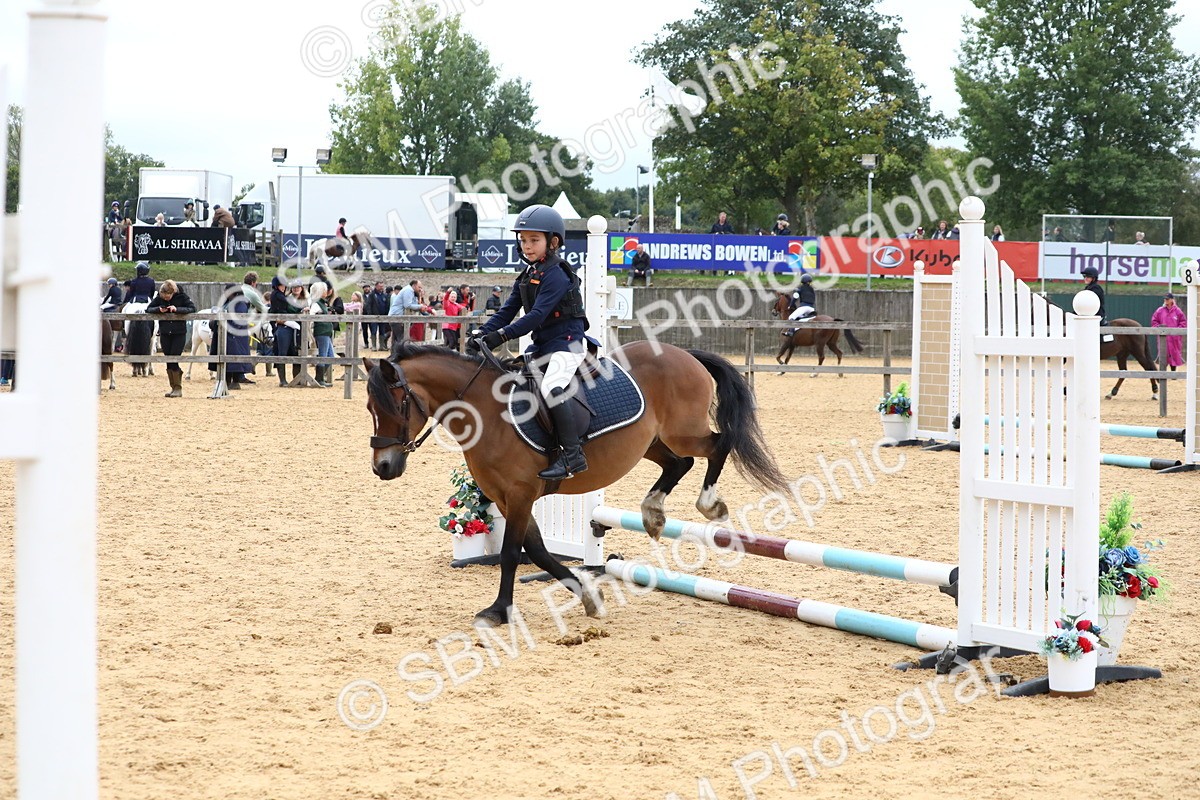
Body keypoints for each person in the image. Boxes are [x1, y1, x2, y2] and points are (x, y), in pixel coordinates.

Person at [468, 204, 599, 480]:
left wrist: (501, 336)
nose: (527, 246)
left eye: (534, 240)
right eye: (523, 240)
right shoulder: (529, 274)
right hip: (542, 347)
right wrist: (482, 333)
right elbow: (507, 311)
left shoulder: (557, 274)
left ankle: (572, 455)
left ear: (553, 242)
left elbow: (536, 316)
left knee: (551, 387)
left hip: (567, 344)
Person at [146, 279, 196, 398]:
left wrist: (177, 309)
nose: (165, 299)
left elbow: (192, 308)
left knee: (174, 358)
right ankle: (173, 387)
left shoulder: (182, 297)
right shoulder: (159, 298)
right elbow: (148, 308)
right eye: (164, 297)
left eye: (168, 296)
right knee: (168, 359)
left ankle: (178, 387)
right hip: (165, 332)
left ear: (172, 292)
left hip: (179, 332)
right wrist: (159, 309)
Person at [270, 276, 298, 386]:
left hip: (285, 323)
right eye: (282, 285)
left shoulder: (279, 295)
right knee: (282, 352)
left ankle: (290, 379)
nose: (283, 287)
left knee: (292, 351)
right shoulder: (278, 295)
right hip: (283, 324)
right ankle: (283, 380)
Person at [307, 281, 335, 387]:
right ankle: (319, 378)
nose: (326, 292)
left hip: (326, 332)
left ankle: (319, 377)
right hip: (321, 331)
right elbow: (311, 315)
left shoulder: (323, 303)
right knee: (323, 355)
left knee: (330, 356)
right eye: (323, 290)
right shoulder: (316, 303)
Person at [1151, 292, 1186, 370]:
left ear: (1172, 300)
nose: (1166, 300)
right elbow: (1154, 321)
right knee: (1163, 355)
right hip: (1163, 338)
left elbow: (1183, 322)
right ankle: (1163, 373)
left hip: (1174, 339)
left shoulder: (1178, 311)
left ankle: (1173, 373)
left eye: (1167, 299)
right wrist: (1158, 328)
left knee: (1174, 355)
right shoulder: (1160, 310)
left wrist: (1177, 331)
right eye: (1165, 299)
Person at [1080, 266, 1109, 341]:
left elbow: (1088, 303)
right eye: (1084, 276)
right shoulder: (1087, 288)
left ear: (1094, 278)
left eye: (1088, 277)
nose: (1085, 278)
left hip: (1097, 315)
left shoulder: (1096, 288)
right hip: (1088, 315)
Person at [365, 280, 390, 350]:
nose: (381, 288)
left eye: (382, 286)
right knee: (374, 331)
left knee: (382, 331)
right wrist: (370, 314)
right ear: (376, 286)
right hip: (374, 316)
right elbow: (368, 305)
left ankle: (381, 346)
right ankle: (374, 346)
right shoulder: (372, 295)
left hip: (383, 316)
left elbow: (387, 305)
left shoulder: (384, 295)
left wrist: (387, 314)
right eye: (380, 286)